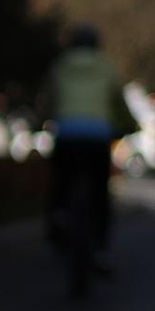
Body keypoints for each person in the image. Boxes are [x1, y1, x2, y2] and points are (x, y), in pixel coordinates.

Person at [44, 25, 131, 291]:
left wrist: (47, 117)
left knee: (60, 178)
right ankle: (102, 249)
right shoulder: (106, 67)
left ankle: (58, 214)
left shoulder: (60, 65)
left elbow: (48, 99)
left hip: (67, 133)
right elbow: (119, 103)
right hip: (97, 137)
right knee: (100, 193)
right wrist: (128, 125)